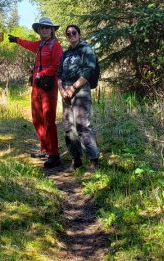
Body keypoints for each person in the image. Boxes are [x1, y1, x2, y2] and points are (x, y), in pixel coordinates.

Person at [8, 17, 64, 169]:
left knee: (49, 120)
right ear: (39, 30)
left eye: (47, 28)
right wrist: (16, 39)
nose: (44, 30)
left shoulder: (55, 46)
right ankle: (44, 148)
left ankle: (54, 154)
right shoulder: (39, 45)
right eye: (41, 28)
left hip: (48, 87)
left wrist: (42, 73)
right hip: (36, 86)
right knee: (36, 119)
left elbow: (58, 65)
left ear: (52, 30)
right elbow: (27, 44)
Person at [58, 24, 100, 171]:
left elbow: (89, 71)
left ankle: (93, 161)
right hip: (66, 92)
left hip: (81, 89)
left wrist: (73, 88)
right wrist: (62, 90)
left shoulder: (86, 50)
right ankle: (76, 160)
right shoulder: (65, 54)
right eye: (68, 34)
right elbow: (59, 75)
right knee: (68, 127)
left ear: (79, 34)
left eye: (74, 32)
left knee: (82, 125)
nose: (71, 35)